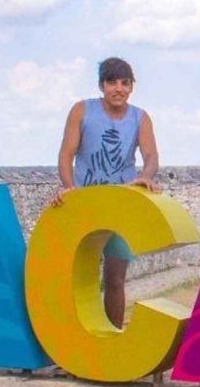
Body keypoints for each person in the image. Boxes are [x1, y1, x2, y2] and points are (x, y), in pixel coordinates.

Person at [53, 56, 161, 329]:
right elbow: (66, 155)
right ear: (102, 85)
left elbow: (150, 156)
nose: (119, 89)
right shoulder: (82, 111)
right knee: (77, 279)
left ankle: (112, 336)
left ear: (132, 87)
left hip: (120, 207)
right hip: (85, 205)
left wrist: (145, 178)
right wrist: (69, 189)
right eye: (112, 82)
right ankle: (73, 341)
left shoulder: (140, 118)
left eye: (125, 83)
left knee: (115, 279)